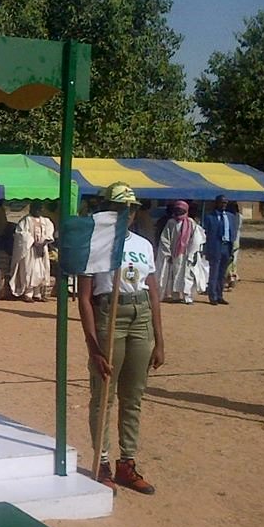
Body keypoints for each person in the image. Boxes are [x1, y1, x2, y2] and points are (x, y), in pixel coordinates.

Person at [77, 182, 165, 495]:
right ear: (106, 209)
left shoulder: (143, 244)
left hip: (139, 316)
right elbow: (84, 298)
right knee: (104, 395)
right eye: (118, 207)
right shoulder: (94, 244)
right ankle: (101, 462)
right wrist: (93, 347)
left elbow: (153, 292)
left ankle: (126, 463)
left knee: (134, 396)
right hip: (108, 315)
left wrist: (160, 338)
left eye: (130, 209)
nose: (125, 214)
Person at [8, 200, 54, 302]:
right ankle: (28, 293)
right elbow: (21, 234)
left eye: (40, 208)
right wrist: (32, 241)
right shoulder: (25, 220)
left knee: (41, 271)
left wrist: (42, 242)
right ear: (31, 209)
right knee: (29, 270)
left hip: (41, 249)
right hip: (29, 249)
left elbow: (49, 233)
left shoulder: (46, 221)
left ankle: (37, 294)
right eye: (36, 208)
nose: (38, 210)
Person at [156, 201, 196, 304]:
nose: (179, 211)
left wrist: (192, 252)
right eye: (177, 209)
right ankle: (175, 296)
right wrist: (167, 253)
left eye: (181, 210)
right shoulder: (171, 222)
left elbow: (195, 238)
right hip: (174, 254)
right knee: (173, 275)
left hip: (186, 254)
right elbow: (165, 238)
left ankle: (188, 297)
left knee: (187, 275)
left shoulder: (190, 222)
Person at [203, 194, 238, 305]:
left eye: (225, 203)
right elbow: (206, 234)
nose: (224, 205)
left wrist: (232, 248)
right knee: (214, 272)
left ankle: (219, 295)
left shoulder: (230, 216)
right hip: (215, 246)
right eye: (222, 203)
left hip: (226, 247)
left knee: (222, 273)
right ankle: (212, 296)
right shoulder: (210, 217)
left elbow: (233, 232)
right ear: (216, 203)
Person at [225, 201, 242, 290]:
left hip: (231, 241)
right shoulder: (239, 216)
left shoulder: (229, 216)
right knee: (233, 261)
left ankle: (231, 279)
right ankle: (231, 278)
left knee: (229, 261)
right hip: (235, 241)